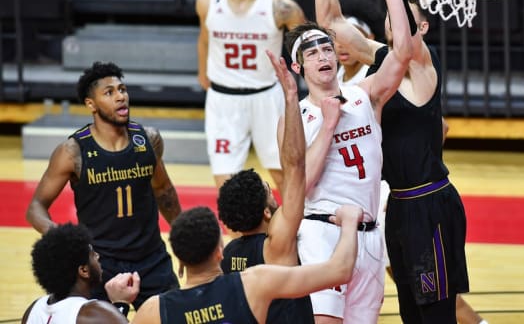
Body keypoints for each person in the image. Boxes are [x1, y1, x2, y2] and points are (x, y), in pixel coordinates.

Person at [314, 0, 475, 324]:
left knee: (437, 316)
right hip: (399, 206)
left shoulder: (422, 65)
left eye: (401, 14)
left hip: (430, 203)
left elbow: (405, 46)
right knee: (410, 314)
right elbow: (331, 23)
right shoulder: (384, 63)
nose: (391, 19)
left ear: (422, 25)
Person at [286, 0, 413, 321]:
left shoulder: (364, 95)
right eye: (312, 52)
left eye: (327, 47)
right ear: (298, 67)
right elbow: (299, 186)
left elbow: (403, 54)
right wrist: (328, 126)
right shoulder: (295, 117)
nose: (323, 55)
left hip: (372, 235)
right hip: (323, 232)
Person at [25, 61, 182, 311]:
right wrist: (64, 239)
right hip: (100, 264)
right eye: (109, 92)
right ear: (91, 104)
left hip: (151, 259)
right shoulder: (72, 151)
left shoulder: (149, 140)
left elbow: (163, 191)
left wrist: (181, 235)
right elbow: (35, 207)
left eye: (122, 89)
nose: (120, 96)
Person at [196, 0, 306, 194]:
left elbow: (306, 48)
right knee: (225, 184)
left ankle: (294, 232)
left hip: (268, 97)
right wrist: (203, 73)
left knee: (284, 175)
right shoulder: (207, 1)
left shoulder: (282, 6)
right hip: (223, 100)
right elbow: (204, 39)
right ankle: (237, 234)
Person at [130, 204, 364, 324]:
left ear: (179, 260)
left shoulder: (153, 310)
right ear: (220, 252)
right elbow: (340, 270)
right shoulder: (253, 283)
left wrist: (120, 303)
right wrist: (350, 221)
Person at [217, 48, 314, 322]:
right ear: (267, 212)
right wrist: (291, 97)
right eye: (268, 191)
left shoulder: (228, 255)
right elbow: (295, 167)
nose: (273, 192)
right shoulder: (277, 245)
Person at [21, 222, 140, 324]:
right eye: (93, 254)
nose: (98, 256)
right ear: (84, 270)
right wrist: (121, 303)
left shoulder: (32, 310)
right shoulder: (94, 313)